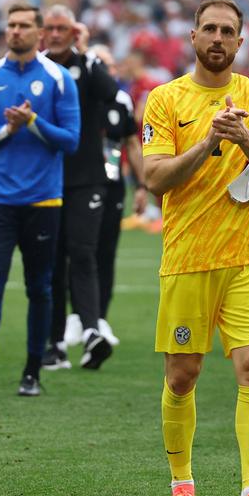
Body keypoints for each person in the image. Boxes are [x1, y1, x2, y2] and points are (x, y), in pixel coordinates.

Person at [142, 0, 249, 496]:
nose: (216, 38)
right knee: (182, 377)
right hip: (187, 258)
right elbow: (155, 178)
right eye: (208, 28)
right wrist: (210, 140)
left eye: (226, 31)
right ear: (192, 37)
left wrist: (245, 136)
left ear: (239, 41)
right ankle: (182, 488)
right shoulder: (165, 100)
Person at [0, 2, 80, 398]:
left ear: (39, 33)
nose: (16, 31)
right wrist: (8, 129)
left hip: (44, 200)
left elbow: (71, 140)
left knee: (40, 287)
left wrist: (33, 122)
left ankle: (31, 373)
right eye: (11, 25)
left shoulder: (59, 79)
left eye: (25, 25)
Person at [40, 6, 120, 371]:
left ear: (74, 33)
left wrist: (87, 52)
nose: (56, 35)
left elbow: (111, 92)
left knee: (83, 252)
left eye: (63, 29)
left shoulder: (86, 67)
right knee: (53, 262)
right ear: (42, 33)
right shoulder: (35, 68)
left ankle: (90, 331)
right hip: (46, 178)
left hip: (87, 176)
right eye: (51, 28)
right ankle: (54, 342)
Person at [90, 45, 148, 338]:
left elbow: (132, 144)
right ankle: (75, 319)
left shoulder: (121, 100)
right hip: (74, 185)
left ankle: (99, 319)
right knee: (73, 252)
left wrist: (140, 185)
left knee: (105, 253)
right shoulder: (73, 93)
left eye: (109, 65)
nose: (104, 70)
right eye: (98, 63)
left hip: (111, 183)